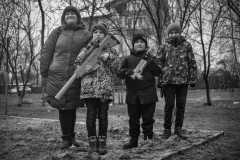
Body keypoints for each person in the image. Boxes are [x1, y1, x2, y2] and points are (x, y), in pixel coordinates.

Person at [39, 6, 92, 149]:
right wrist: (44, 69)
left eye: (73, 14)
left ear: (78, 17)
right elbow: (47, 51)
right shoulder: (57, 32)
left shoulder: (86, 34)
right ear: (64, 17)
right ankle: (66, 139)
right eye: (67, 14)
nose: (70, 15)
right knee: (63, 106)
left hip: (76, 75)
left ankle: (72, 138)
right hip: (58, 75)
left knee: (72, 106)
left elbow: (91, 53)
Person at [74, 23, 121, 155]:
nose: (98, 34)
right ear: (92, 35)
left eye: (101, 32)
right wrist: (84, 70)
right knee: (90, 116)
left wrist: (109, 58)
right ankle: (92, 143)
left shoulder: (111, 50)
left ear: (105, 35)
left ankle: (102, 143)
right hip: (88, 89)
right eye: (96, 32)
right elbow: (77, 65)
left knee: (103, 116)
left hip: (104, 89)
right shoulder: (86, 49)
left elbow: (117, 69)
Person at [117, 33, 162, 150]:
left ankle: (148, 139)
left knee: (148, 118)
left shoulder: (151, 58)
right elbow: (119, 74)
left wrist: (150, 60)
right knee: (133, 119)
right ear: (133, 45)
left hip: (148, 93)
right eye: (137, 42)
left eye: (142, 42)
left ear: (145, 44)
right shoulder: (127, 59)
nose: (139, 44)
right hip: (133, 94)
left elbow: (158, 72)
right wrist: (126, 71)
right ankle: (133, 140)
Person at [157, 22, 197, 140]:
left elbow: (192, 62)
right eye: (171, 32)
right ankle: (167, 129)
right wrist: (159, 80)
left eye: (176, 32)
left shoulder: (187, 45)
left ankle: (178, 128)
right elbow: (158, 64)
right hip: (168, 81)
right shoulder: (163, 46)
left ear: (180, 33)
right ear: (168, 34)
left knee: (181, 105)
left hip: (183, 81)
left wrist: (192, 78)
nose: (174, 34)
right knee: (169, 105)